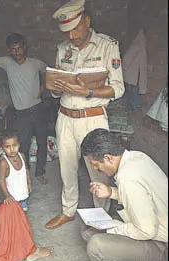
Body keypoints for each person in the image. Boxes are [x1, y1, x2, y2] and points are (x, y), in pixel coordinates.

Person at [45, 0, 125, 229]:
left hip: (93, 118)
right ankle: (68, 210)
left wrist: (88, 91)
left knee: (99, 170)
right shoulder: (63, 49)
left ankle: (100, 217)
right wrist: (55, 87)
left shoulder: (107, 45)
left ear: (86, 21)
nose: (71, 36)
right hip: (66, 117)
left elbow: (118, 88)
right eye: (66, 31)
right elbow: (54, 87)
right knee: (66, 168)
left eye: (75, 29)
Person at [79, 128, 168, 261]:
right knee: (90, 231)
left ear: (107, 158)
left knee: (95, 244)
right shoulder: (137, 157)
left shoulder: (127, 178)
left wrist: (112, 228)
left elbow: (146, 231)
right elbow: (143, 196)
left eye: (96, 165)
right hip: (158, 227)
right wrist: (111, 192)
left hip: (163, 245)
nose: (97, 169)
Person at [0, 33, 48, 185]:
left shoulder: (36, 63)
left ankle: (40, 172)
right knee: (23, 145)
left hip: (38, 109)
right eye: (13, 49)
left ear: (25, 47)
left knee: (42, 142)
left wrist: (42, 87)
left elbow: (50, 74)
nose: (16, 52)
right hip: (21, 114)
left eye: (19, 48)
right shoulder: (6, 62)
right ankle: (25, 173)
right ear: (9, 50)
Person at [0, 130, 32, 211]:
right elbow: (1, 180)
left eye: (14, 145)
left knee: (23, 211)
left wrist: (29, 183)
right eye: (7, 147)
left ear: (19, 144)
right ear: (2, 147)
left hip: (23, 193)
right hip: (12, 198)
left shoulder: (22, 156)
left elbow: (26, 170)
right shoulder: (4, 163)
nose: (12, 149)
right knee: (15, 215)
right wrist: (7, 195)